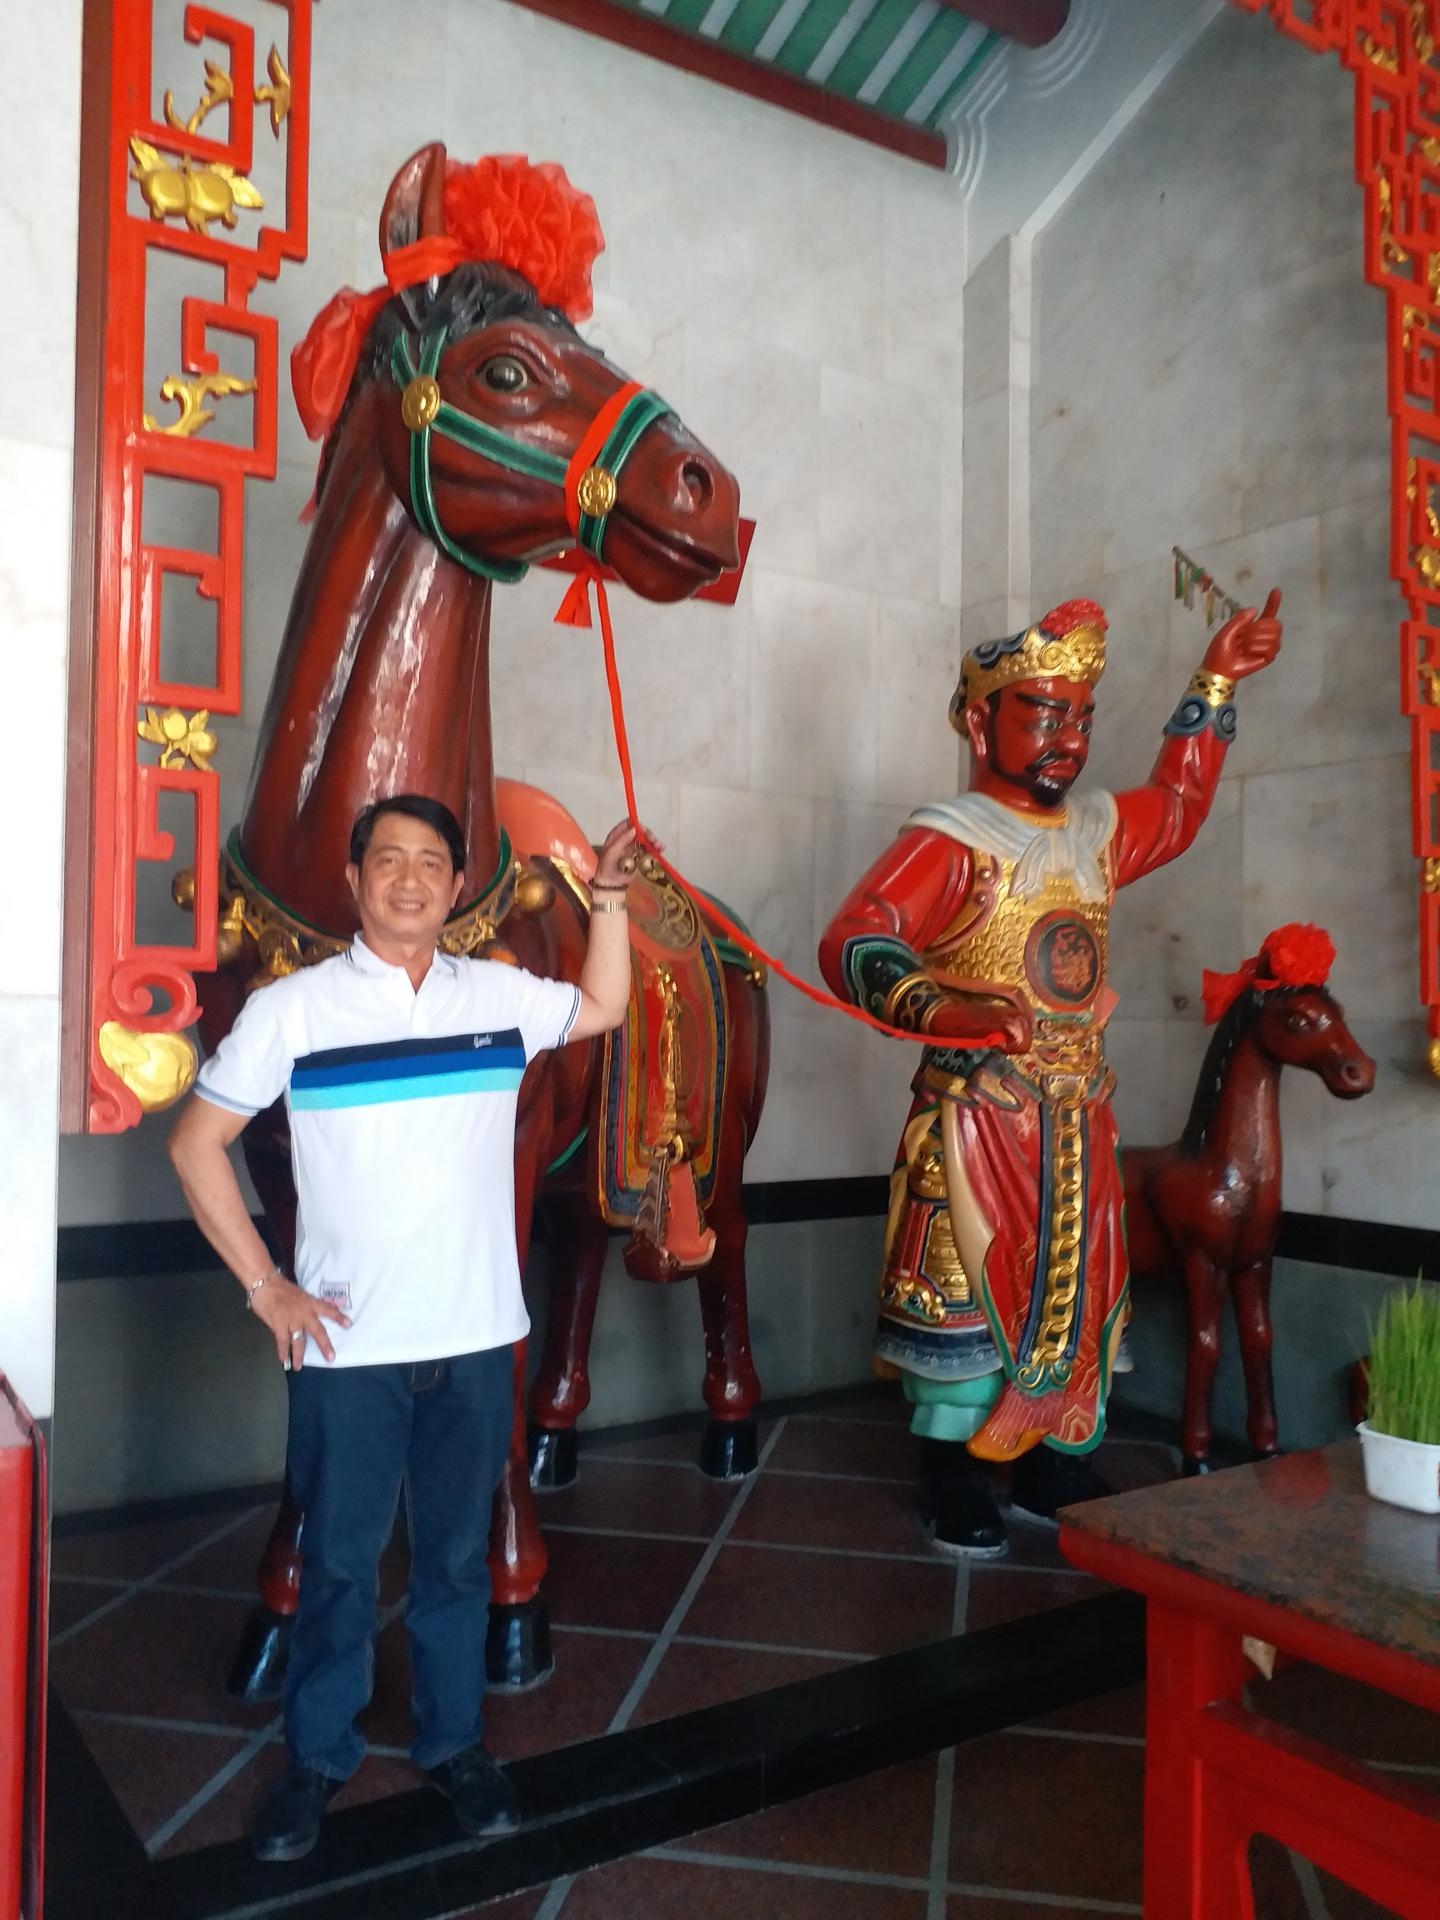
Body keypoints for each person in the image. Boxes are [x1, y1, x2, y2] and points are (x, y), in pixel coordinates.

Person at [168, 793, 638, 1860]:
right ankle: (316, 1758)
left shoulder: (499, 995)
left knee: (457, 1563)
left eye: (432, 861)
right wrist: (266, 1286)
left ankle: (454, 1743)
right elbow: (195, 1144)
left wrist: (607, 898)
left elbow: (604, 1006)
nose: (411, 878)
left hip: (474, 1339)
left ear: (459, 885)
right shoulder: (295, 1009)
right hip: (350, 1350)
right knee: (338, 1563)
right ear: (355, 879)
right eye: (389, 859)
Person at [819, 592, 1282, 1555]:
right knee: (965, 1287)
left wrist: (1215, 682)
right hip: (978, 1114)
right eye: (1042, 713)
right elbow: (857, 938)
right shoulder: (952, 838)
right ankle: (952, 1469)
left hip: (1076, 1118)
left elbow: (1180, 806)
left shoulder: (1096, 833)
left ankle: (1048, 1459)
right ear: (980, 720)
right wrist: (942, 1009)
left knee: (1074, 1287)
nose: (1068, 739)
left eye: (1081, 719)